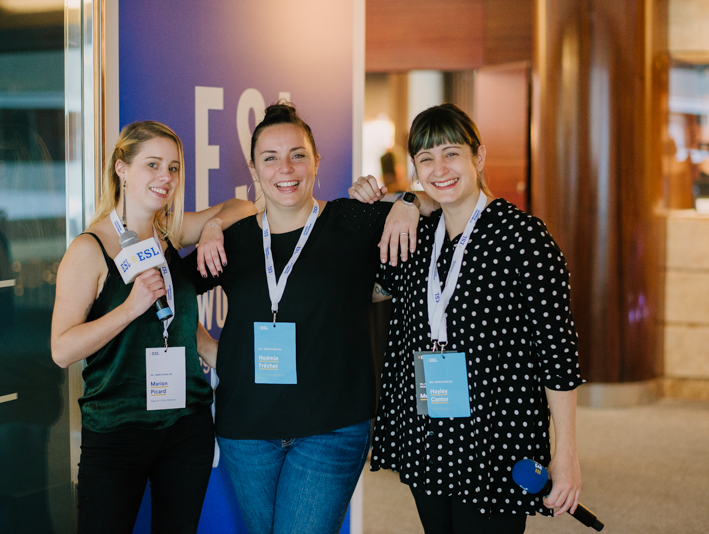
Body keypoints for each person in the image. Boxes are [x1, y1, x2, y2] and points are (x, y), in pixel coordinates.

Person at [184, 103, 435, 534]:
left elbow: (447, 208)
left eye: (297, 155)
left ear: (316, 161)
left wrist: (410, 200)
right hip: (246, 430)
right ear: (254, 169)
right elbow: (169, 292)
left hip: (331, 427)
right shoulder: (234, 240)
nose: (286, 169)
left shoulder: (352, 221)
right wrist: (208, 348)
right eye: (270, 158)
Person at [350, 103, 583, 533]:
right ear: (416, 169)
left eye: (452, 153)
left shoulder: (524, 238)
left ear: (479, 156)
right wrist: (381, 204)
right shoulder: (417, 236)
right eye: (426, 158)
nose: (440, 169)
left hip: (497, 435)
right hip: (428, 432)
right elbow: (363, 289)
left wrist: (566, 452)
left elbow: (559, 354)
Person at [50, 120, 257, 534]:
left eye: (173, 167)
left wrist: (212, 227)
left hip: (185, 424)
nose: (166, 177)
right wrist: (130, 308)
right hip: (117, 428)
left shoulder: (171, 232)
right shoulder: (89, 249)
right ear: (121, 168)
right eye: (153, 164)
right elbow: (62, 350)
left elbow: (244, 208)